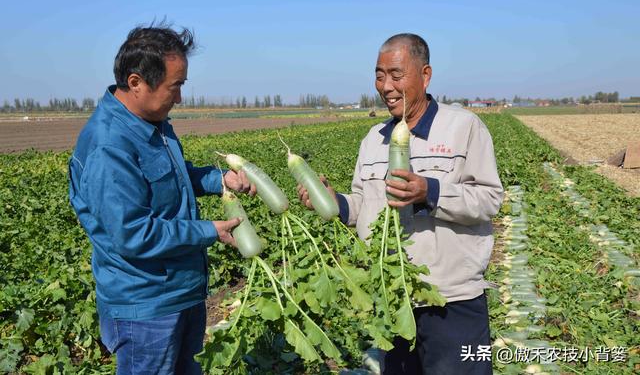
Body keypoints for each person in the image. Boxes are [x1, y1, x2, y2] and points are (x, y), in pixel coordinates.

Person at [298, 33, 503, 374]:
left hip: (451, 300)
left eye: (396, 75)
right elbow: (365, 204)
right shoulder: (373, 139)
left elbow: (488, 200)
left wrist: (430, 192)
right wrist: (335, 202)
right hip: (392, 297)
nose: (386, 86)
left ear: (425, 75)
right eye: (379, 75)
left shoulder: (463, 127)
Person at [68, 24, 255, 374]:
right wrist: (210, 230)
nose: (180, 98)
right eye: (175, 87)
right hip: (146, 307)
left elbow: (177, 177)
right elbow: (133, 234)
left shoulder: (152, 122)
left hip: (180, 292)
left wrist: (219, 179)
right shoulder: (109, 147)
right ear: (137, 82)